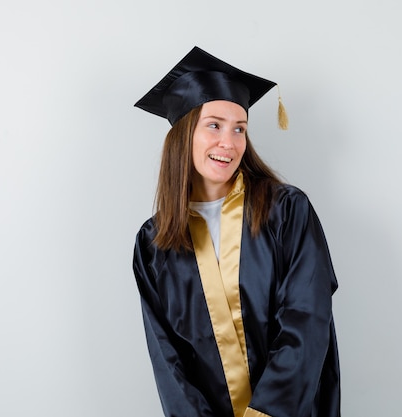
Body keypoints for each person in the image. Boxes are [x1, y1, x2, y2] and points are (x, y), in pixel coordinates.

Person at [132, 46, 341, 417]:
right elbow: (168, 360)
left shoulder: (287, 212)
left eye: (239, 129)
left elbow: (306, 320)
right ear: (184, 135)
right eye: (214, 125)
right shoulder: (153, 244)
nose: (229, 143)